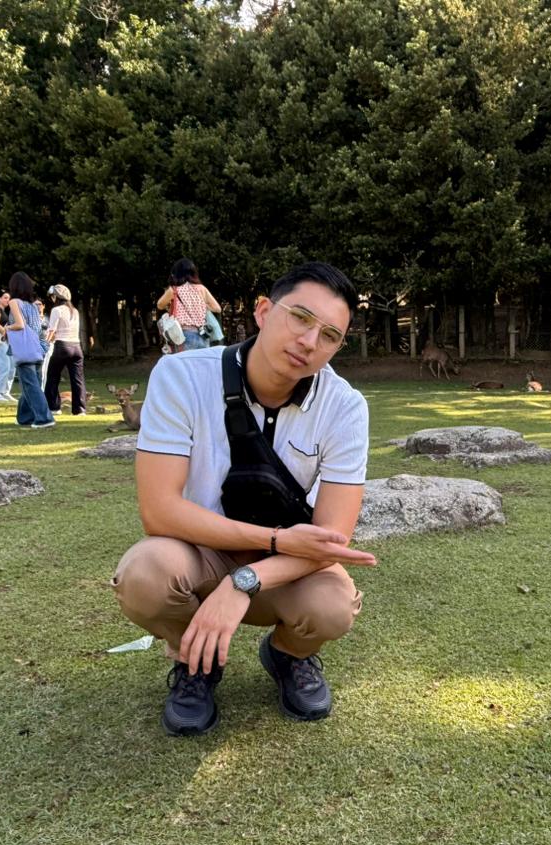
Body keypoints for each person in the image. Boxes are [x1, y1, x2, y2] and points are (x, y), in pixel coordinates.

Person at [112, 262, 377, 736]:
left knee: (334, 604)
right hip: (198, 552)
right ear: (262, 311)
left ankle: (288, 655)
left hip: (288, 568)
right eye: (300, 317)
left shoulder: (345, 407)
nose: (310, 342)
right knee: (144, 575)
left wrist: (245, 581)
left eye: (331, 335)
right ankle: (197, 662)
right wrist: (275, 541)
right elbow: (159, 511)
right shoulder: (180, 376)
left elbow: (332, 540)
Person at [5, 272, 54, 429]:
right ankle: (24, 417)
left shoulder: (14, 302)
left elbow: (19, 325)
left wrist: (6, 328)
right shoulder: (33, 305)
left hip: (24, 350)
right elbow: (37, 329)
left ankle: (44, 418)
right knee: (32, 385)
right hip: (37, 349)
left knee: (30, 385)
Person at [157, 258, 223, 350]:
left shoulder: (174, 290)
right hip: (203, 335)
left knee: (186, 364)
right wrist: (203, 305)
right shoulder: (202, 289)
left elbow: (159, 305)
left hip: (184, 336)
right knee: (202, 364)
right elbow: (217, 309)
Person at [43, 283, 86, 416]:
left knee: (52, 377)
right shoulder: (75, 311)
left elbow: (52, 331)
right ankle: (80, 409)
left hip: (61, 346)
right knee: (77, 379)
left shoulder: (57, 310)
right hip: (76, 347)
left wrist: (45, 344)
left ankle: (54, 407)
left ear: (56, 297)